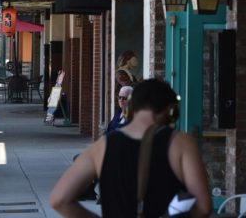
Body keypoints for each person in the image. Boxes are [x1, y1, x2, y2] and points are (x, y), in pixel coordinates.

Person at [50, 78, 212, 218]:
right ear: (170, 110)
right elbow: (203, 206)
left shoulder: (101, 147)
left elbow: (59, 200)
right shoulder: (180, 143)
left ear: (131, 107)